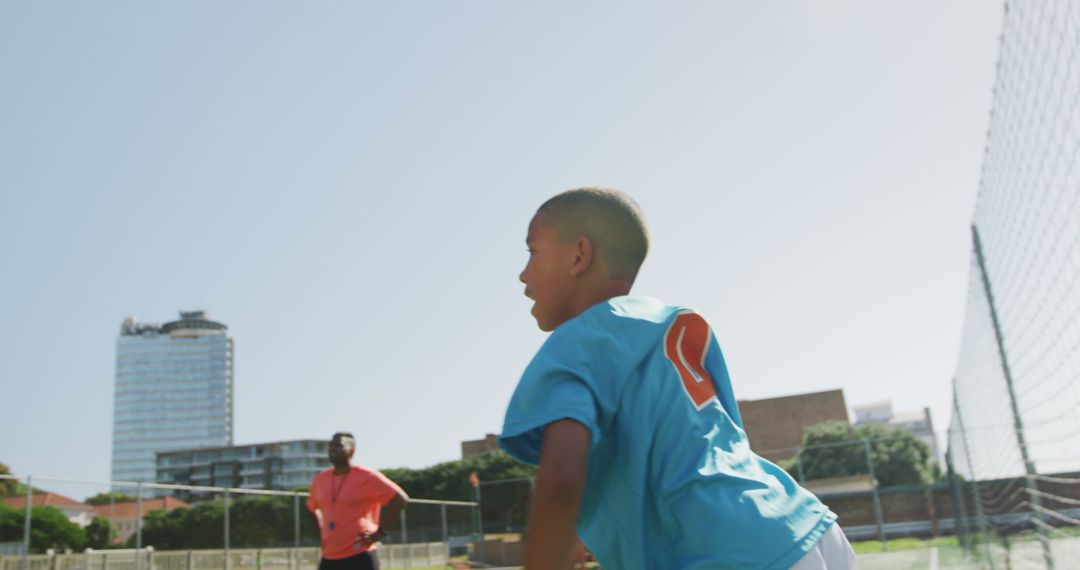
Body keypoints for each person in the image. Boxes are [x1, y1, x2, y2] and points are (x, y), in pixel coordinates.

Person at [499, 188, 859, 569]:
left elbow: (558, 484)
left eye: (532, 251)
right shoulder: (670, 322)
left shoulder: (576, 342)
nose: (523, 273)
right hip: (804, 525)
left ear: (579, 255)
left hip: (725, 555)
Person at [307, 432, 409, 570]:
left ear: (351, 451)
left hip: (359, 555)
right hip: (329, 557)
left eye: (339, 445)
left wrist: (379, 532)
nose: (332, 448)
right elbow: (311, 508)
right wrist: (321, 532)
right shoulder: (320, 479)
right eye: (331, 445)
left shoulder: (367, 476)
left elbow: (399, 499)